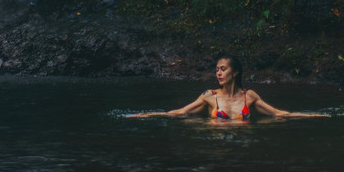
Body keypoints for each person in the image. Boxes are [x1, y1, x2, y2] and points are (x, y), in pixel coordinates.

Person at [132, 55, 329, 120]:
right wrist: (147, 115)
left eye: (223, 69)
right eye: (217, 70)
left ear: (235, 73)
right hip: (217, 148)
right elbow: (180, 112)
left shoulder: (249, 96)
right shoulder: (210, 96)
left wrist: (313, 115)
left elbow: (278, 113)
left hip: (243, 146)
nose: (218, 73)